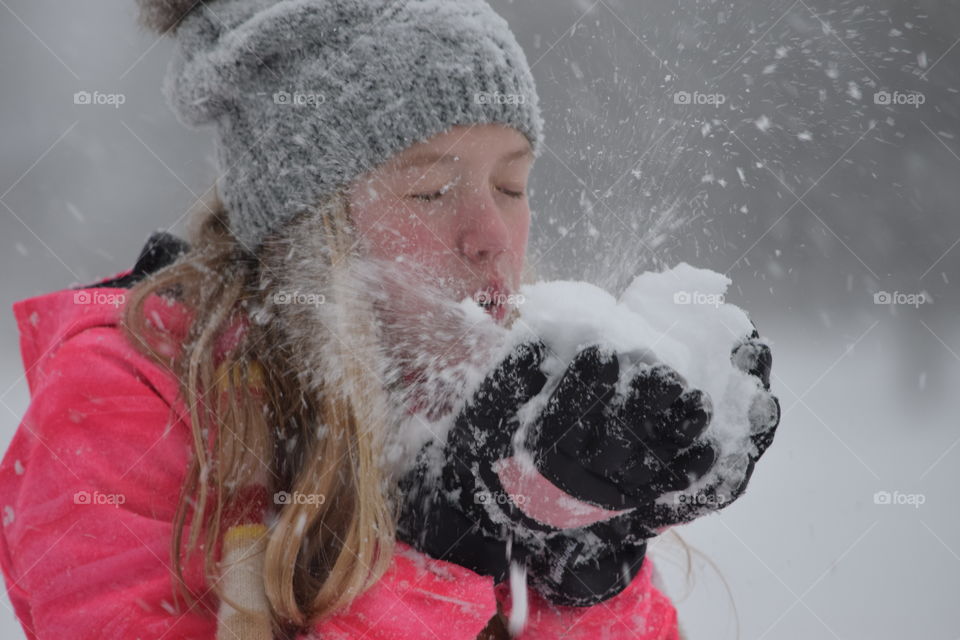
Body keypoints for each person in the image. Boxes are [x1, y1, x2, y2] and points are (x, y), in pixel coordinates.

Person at [0, 1, 781, 638]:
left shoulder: (516, 404)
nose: (489, 237)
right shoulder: (120, 406)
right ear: (312, 227)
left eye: (510, 187)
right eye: (431, 192)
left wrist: (588, 565)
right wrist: (442, 557)